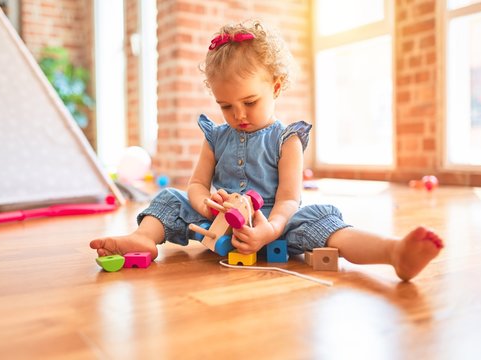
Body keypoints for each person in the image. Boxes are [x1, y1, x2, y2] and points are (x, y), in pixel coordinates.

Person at [90, 20, 444, 281]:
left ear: (275, 88)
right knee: (169, 198)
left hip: (275, 224)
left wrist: (271, 229)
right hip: (218, 222)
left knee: (323, 221)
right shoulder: (216, 136)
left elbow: (291, 199)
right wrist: (204, 203)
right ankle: (142, 240)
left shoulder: (287, 139)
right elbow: (197, 184)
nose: (238, 115)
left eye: (250, 101)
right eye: (226, 106)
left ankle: (393, 252)